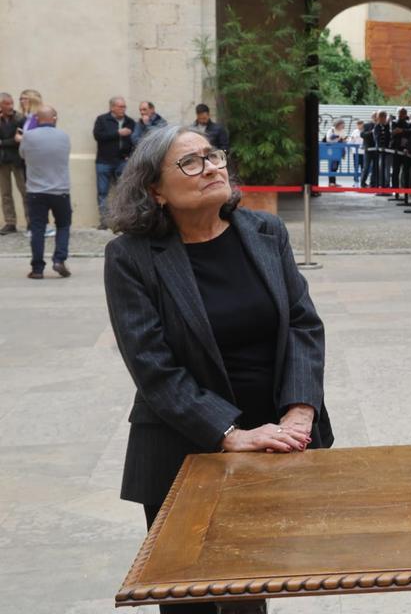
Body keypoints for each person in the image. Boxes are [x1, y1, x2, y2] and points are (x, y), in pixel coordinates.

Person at [105, 125, 333, 614]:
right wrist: (229, 432)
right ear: (155, 191)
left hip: (272, 441)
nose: (211, 167)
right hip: (183, 446)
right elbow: (152, 365)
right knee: (187, 598)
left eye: (213, 156)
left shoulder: (265, 232)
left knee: (250, 590)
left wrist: (299, 411)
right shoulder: (130, 257)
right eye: (190, 162)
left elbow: (302, 326)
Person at [20, 106, 71, 279]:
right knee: (63, 226)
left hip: (36, 191)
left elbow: (23, 154)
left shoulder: (28, 137)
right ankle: (59, 260)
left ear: (37, 119)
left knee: (37, 229)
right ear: (54, 118)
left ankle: (37, 268)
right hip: (60, 190)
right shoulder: (64, 136)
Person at [94, 96, 137, 229]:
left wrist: (129, 155)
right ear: (112, 107)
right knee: (102, 193)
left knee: (124, 191)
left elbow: (134, 140)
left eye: (124, 107)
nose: (123, 109)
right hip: (104, 161)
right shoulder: (102, 120)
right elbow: (98, 136)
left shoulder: (130, 121)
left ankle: (123, 220)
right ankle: (104, 221)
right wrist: (118, 133)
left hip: (122, 161)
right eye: (120, 106)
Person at [0, 92, 27, 235]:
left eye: (11, 103)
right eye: (7, 104)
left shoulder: (19, 118)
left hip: (17, 160)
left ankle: (31, 221)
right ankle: (10, 222)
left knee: (25, 191)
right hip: (2, 161)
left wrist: (2, 143)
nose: (10, 106)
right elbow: (13, 140)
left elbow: (19, 139)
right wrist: (10, 142)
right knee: (5, 193)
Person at [324, 120, 346, 186]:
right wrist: (337, 138)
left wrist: (343, 140)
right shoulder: (331, 130)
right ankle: (331, 182)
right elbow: (328, 140)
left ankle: (333, 182)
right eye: (342, 124)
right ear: (338, 124)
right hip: (332, 150)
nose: (343, 126)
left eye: (343, 125)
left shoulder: (342, 131)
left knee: (336, 167)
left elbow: (344, 139)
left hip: (339, 150)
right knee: (332, 166)